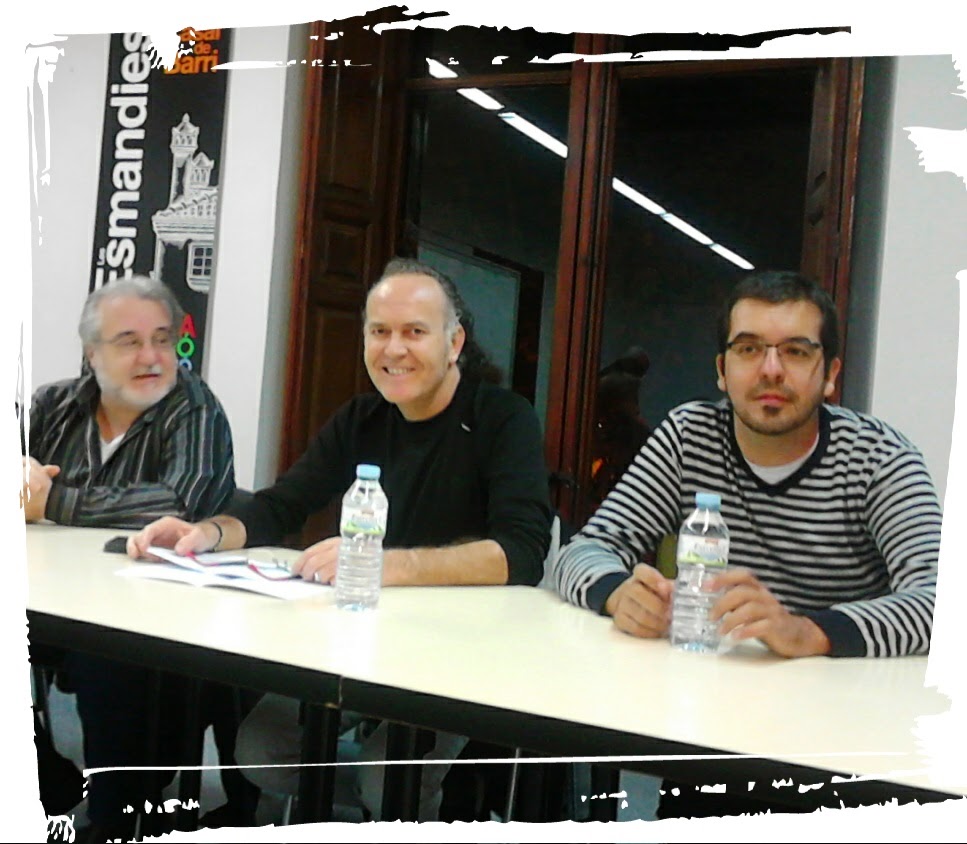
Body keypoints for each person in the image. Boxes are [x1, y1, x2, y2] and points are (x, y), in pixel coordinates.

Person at [129, 257, 553, 822]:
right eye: (379, 332)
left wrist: (384, 565)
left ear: (454, 344)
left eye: (415, 332)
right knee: (264, 751)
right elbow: (282, 504)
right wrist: (206, 532)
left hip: (458, 651)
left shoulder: (504, 418)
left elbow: (522, 552)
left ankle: (440, 804)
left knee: (389, 781)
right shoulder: (362, 418)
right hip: (360, 640)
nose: (393, 349)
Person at [548, 270, 940, 816]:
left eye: (796, 351)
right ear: (721, 370)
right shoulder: (689, 436)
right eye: (750, 349)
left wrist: (807, 631)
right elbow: (583, 550)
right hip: (710, 733)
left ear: (830, 375)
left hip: (841, 751)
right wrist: (618, 594)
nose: (771, 369)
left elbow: (940, 601)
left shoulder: (880, 459)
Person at [24, 275, 252, 841]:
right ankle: (45, 779)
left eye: (163, 339)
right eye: (129, 341)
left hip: (151, 618)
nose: (151, 356)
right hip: (51, 599)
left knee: (110, 655)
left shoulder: (195, 409)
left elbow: (178, 503)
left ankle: (114, 816)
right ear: (92, 353)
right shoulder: (53, 405)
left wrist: (54, 500)